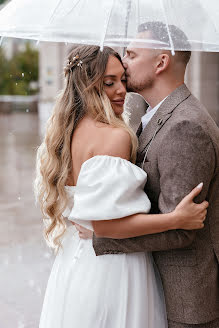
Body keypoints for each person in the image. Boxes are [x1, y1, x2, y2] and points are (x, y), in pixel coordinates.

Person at [35, 45, 207, 328]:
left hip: (74, 266)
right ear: (88, 87)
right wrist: (176, 219)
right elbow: (108, 227)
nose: (121, 91)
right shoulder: (115, 137)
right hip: (113, 268)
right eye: (108, 83)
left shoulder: (65, 134)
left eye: (123, 81)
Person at [88, 22, 219, 328]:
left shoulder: (186, 126)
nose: (123, 63)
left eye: (131, 55)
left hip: (187, 304)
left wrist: (102, 234)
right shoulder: (155, 116)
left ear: (161, 62)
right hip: (160, 291)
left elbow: (182, 228)